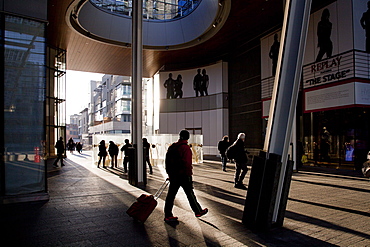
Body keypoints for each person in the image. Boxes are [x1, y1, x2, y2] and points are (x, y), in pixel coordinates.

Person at [164, 130, 208, 223]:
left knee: (171, 195)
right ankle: (198, 211)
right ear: (188, 138)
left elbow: (167, 161)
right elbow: (187, 163)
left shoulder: (172, 147)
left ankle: (168, 215)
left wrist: (170, 174)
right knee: (190, 194)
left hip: (174, 176)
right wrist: (189, 174)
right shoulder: (185, 148)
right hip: (184, 175)